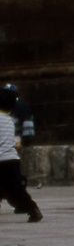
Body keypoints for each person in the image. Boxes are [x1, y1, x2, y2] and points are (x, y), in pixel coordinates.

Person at [0, 89, 41, 222]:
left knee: (13, 190)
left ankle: (31, 208)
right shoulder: (9, 120)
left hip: (2, 159)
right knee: (14, 189)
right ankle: (32, 208)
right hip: (11, 159)